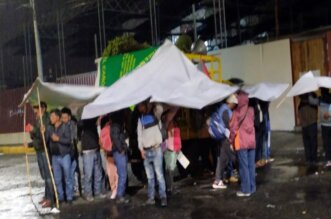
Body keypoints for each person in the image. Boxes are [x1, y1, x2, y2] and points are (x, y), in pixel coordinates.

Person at [137, 101, 167, 207]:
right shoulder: (140, 120)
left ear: (145, 105)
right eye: (139, 107)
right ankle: (151, 198)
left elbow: (160, 108)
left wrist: (154, 100)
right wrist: (141, 150)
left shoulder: (155, 114)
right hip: (146, 151)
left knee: (159, 175)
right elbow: (139, 136)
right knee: (150, 177)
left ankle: (163, 197)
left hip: (156, 149)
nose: (140, 108)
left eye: (141, 106)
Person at [28, 101, 55, 209]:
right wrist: (31, 131)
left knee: (48, 175)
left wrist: (33, 130)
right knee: (44, 175)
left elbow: (43, 135)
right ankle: (47, 195)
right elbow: (35, 136)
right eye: (34, 107)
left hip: (45, 150)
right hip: (39, 149)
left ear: (43, 108)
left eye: (36, 107)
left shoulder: (46, 119)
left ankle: (51, 198)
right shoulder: (38, 119)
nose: (35, 110)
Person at [230, 91, 256, 197]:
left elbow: (233, 128)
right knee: (251, 166)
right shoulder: (251, 110)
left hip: (242, 142)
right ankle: (252, 187)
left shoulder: (236, 112)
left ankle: (246, 190)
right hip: (252, 141)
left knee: (243, 167)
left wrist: (231, 140)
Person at [46, 109, 73, 204]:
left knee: (68, 177)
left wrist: (58, 139)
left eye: (52, 116)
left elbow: (68, 141)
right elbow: (45, 141)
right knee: (57, 179)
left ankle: (69, 197)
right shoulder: (50, 128)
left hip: (65, 156)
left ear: (58, 117)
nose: (51, 118)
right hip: (54, 157)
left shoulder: (65, 127)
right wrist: (42, 133)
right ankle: (61, 197)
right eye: (50, 117)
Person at [211, 94, 238, 189]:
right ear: (230, 102)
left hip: (225, 137)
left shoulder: (222, 108)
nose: (235, 105)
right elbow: (230, 125)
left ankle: (218, 180)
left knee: (222, 159)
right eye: (234, 103)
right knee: (234, 157)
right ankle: (219, 180)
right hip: (227, 138)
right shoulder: (226, 110)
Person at [79, 117, 105, 201]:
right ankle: (89, 194)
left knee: (98, 173)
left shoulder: (94, 122)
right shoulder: (83, 123)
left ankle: (97, 192)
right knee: (88, 174)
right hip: (87, 151)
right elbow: (79, 127)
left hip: (95, 149)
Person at [110, 110, 130, 204]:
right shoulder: (115, 126)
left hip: (120, 151)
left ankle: (121, 193)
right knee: (123, 174)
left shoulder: (118, 126)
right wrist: (121, 149)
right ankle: (120, 195)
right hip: (119, 152)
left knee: (122, 173)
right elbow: (116, 138)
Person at [61, 107, 81, 197]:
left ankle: (76, 189)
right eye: (62, 117)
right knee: (67, 172)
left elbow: (73, 138)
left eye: (65, 117)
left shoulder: (73, 124)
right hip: (64, 153)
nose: (63, 119)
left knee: (73, 171)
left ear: (69, 117)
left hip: (72, 152)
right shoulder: (61, 125)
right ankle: (70, 190)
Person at [298, 93, 318, 165]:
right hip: (312, 124)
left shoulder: (300, 105)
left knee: (307, 143)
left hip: (304, 126)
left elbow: (299, 115)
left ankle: (308, 158)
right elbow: (316, 112)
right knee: (313, 142)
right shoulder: (313, 103)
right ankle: (314, 159)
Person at [164, 117, 181, 194]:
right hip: (172, 150)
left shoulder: (165, 127)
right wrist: (178, 148)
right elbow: (177, 140)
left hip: (167, 150)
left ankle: (169, 187)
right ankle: (171, 187)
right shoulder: (176, 128)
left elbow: (164, 140)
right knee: (170, 170)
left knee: (168, 170)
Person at [319, 88, 331, 167]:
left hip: (324, 124)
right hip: (326, 123)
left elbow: (312, 101)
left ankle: (328, 159)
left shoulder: (320, 99)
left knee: (327, 143)